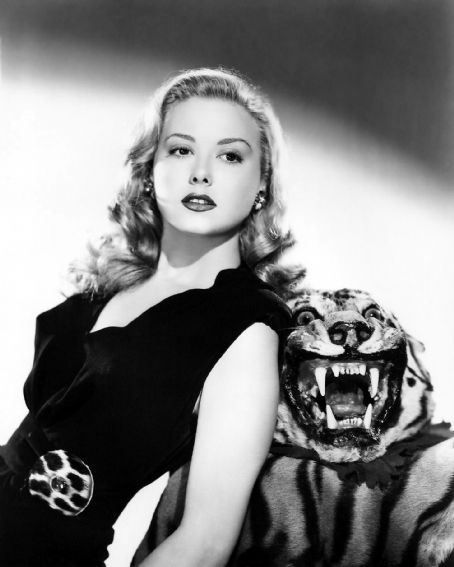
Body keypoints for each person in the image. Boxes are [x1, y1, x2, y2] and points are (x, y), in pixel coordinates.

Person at [0, 67, 303, 566]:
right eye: (181, 150)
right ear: (149, 170)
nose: (201, 173)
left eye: (230, 156)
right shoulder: (108, 286)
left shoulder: (248, 327)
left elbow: (205, 542)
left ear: (262, 185)